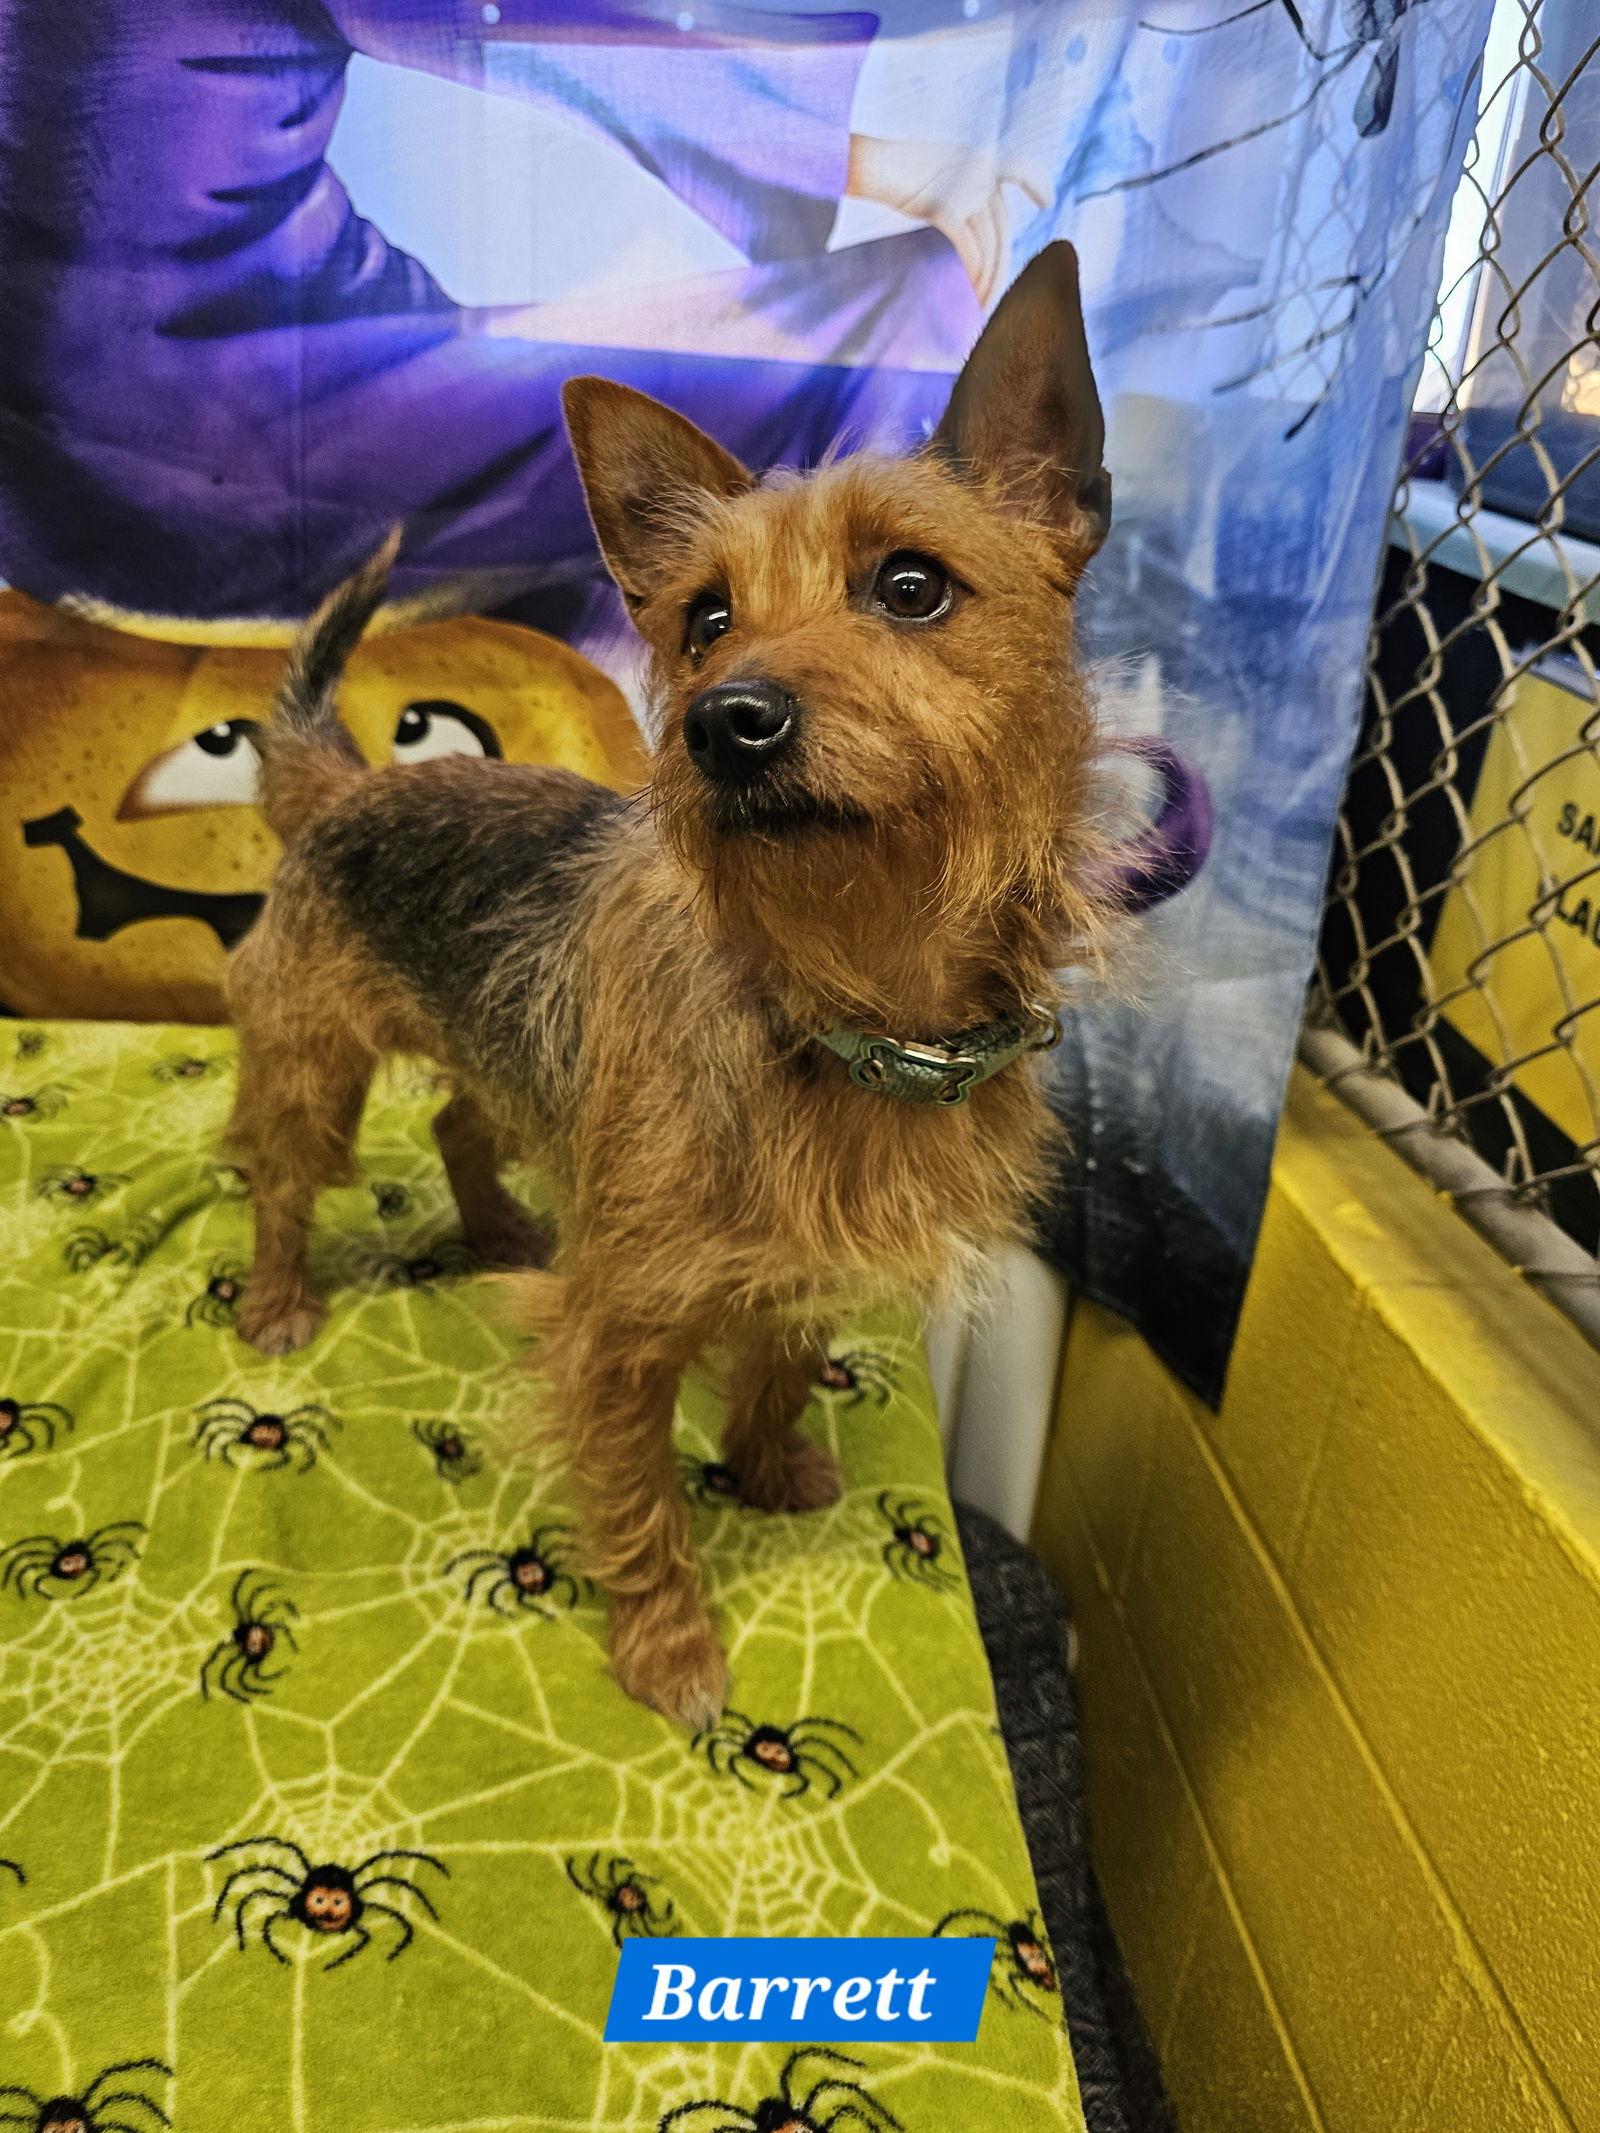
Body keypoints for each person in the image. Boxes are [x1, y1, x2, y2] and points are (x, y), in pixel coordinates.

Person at [0, 0, 1043, 621]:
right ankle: (889, 765)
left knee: (636, 491)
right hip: (226, 435)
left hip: (53, 478)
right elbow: (516, 17)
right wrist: (873, 159)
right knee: (896, 309)